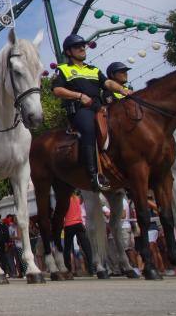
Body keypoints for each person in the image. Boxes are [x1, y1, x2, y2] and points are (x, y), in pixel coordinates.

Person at [52, 34, 131, 191]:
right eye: (77, 46)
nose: (82, 48)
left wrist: (122, 90)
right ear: (68, 52)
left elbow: (107, 83)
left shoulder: (94, 69)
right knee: (89, 129)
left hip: (100, 108)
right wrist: (79, 96)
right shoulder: (63, 69)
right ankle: (94, 175)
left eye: (83, 45)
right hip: (80, 110)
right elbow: (57, 89)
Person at [62, 192, 94, 275]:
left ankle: (68, 269)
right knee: (86, 246)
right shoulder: (77, 198)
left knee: (67, 248)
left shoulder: (64, 199)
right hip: (79, 224)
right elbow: (82, 200)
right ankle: (91, 267)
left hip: (68, 224)